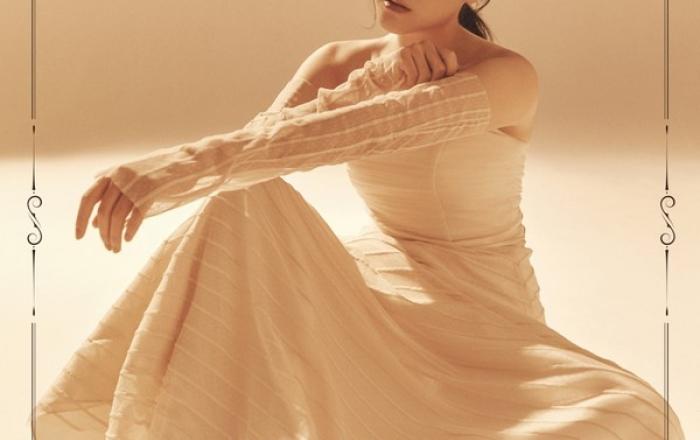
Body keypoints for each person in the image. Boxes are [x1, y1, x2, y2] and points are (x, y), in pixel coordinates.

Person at [31, 0, 686, 438]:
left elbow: (365, 132)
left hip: (481, 311)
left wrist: (175, 166)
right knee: (240, 202)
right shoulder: (335, 62)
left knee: (630, 419)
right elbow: (263, 149)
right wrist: (368, 80)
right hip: (378, 282)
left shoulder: (507, 75)